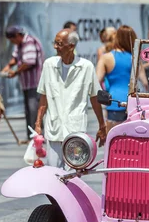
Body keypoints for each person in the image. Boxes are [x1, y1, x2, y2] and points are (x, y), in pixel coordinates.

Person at [34, 29, 106, 168]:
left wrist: (102, 126)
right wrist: (38, 122)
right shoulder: (49, 65)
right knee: (53, 170)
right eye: (55, 43)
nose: (55, 47)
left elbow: (94, 97)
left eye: (59, 44)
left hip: (76, 129)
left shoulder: (86, 67)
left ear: (71, 46)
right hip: (54, 128)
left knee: (74, 172)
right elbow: (44, 96)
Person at [1, 25, 44, 139]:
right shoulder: (19, 44)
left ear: (17, 36)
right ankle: (32, 137)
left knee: (34, 109)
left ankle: (37, 136)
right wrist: (8, 66)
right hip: (26, 83)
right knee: (29, 110)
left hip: (35, 82)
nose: (13, 42)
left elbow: (29, 62)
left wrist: (15, 72)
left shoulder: (29, 42)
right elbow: (15, 58)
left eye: (13, 40)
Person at [96, 25, 142, 131]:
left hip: (114, 101)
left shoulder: (106, 57)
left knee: (114, 139)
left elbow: (97, 81)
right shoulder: (134, 57)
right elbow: (145, 83)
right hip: (133, 102)